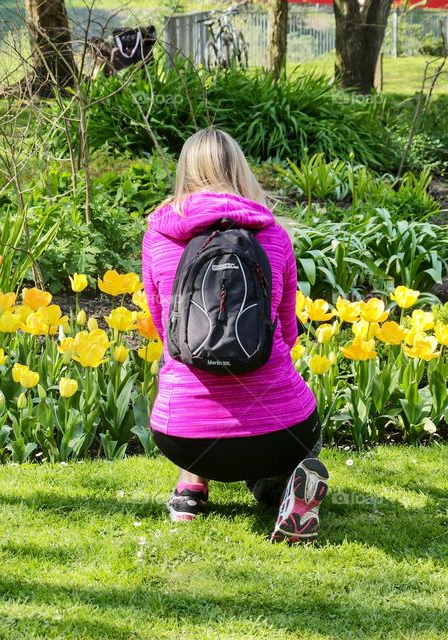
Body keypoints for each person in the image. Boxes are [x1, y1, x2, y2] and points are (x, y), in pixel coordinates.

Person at [141, 128, 327, 543]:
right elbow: (289, 331)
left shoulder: (159, 234)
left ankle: (190, 490)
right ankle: (279, 489)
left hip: (183, 437)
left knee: (181, 363)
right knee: (285, 389)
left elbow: (163, 327)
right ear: (240, 169)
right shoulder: (273, 234)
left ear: (185, 171)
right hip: (282, 433)